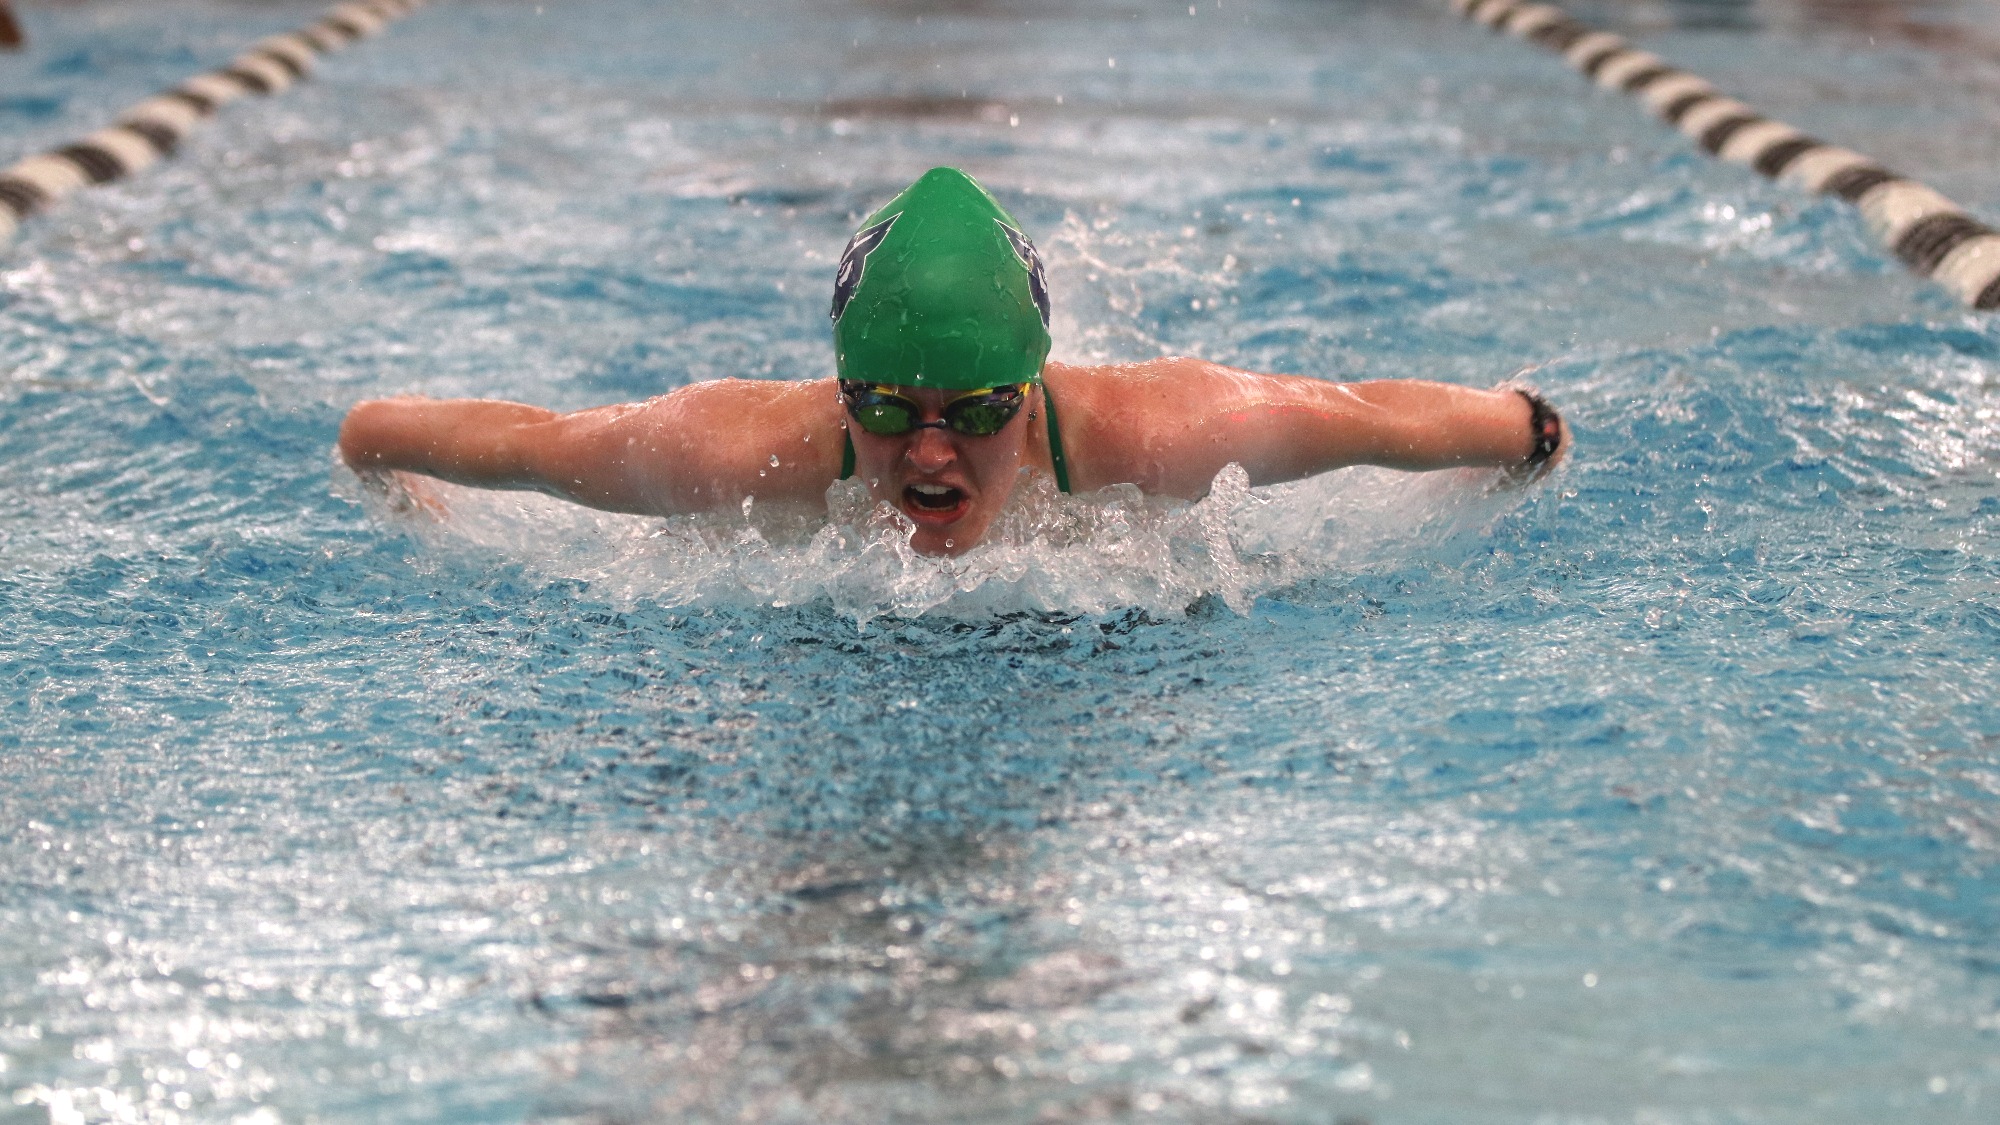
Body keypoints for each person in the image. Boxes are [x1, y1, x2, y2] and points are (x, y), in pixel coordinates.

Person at [339, 167, 1567, 557]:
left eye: (975, 410)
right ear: (840, 393)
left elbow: (1371, 418)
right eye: (883, 405)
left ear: (1028, 393)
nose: (927, 451)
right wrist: (394, 483)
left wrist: (1527, 432)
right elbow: (513, 445)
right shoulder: (732, 451)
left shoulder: (1159, 434)